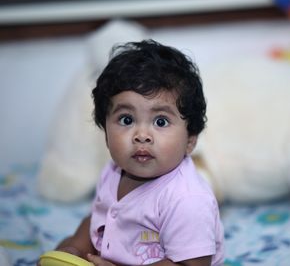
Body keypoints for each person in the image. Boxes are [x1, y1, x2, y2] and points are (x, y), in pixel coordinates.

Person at [51, 39, 224, 266]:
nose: (142, 135)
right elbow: (97, 219)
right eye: (126, 119)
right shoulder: (113, 171)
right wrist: (75, 247)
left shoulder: (187, 200)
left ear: (190, 140)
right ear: (105, 133)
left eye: (160, 121)